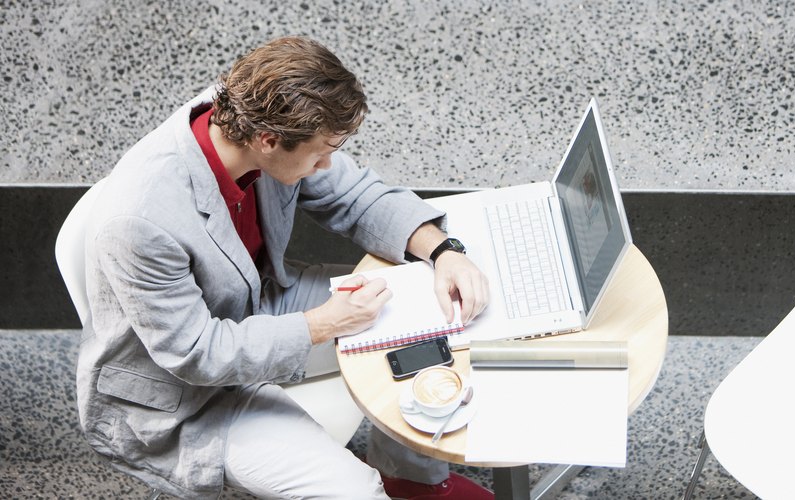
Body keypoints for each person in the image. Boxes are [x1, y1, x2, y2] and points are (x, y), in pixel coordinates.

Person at [76, 36, 492, 499]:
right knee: (357, 493)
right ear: (268, 141)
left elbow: (356, 195)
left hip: (258, 303)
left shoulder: (250, 117)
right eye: (320, 154)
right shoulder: (138, 220)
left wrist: (442, 251)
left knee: (431, 313)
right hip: (186, 397)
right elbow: (196, 352)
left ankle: (411, 479)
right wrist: (320, 325)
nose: (328, 164)